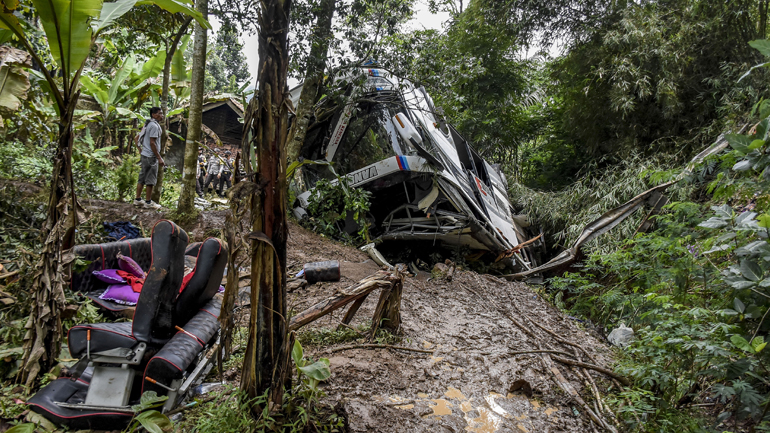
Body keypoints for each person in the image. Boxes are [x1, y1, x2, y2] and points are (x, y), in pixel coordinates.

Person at [133, 107, 164, 209]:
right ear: (153, 115)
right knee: (150, 179)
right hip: (151, 156)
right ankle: (148, 202)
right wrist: (159, 157)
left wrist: (140, 150)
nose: (162, 115)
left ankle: (137, 199)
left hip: (144, 155)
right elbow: (152, 143)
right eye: (160, 113)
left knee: (142, 178)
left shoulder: (147, 124)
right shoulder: (154, 126)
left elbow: (136, 138)